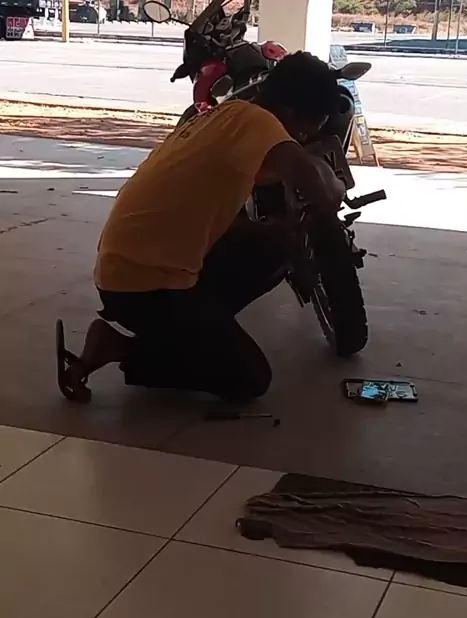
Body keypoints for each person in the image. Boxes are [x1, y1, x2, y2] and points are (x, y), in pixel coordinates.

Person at [56, 51, 345, 405]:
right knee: (250, 379)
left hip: (132, 267)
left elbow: (208, 219)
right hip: (141, 287)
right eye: (313, 124)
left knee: (273, 249)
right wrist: (334, 187)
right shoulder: (257, 124)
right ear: (292, 112)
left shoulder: (227, 116)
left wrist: (274, 232)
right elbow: (318, 185)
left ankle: (197, 333)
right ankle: (118, 347)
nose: (310, 134)